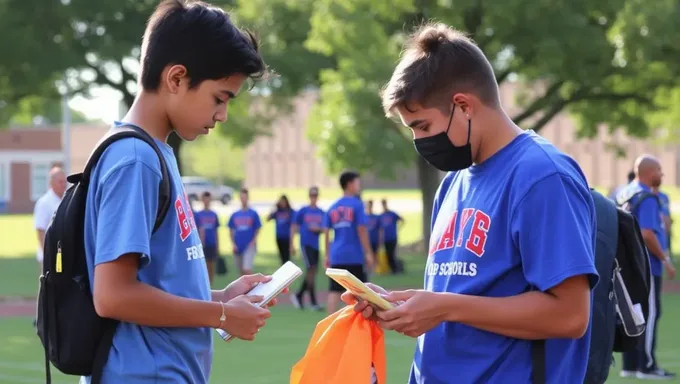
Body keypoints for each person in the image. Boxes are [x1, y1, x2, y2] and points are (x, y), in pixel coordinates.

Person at [343, 23, 599, 383]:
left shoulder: (542, 175)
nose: (418, 141)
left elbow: (571, 316)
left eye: (422, 126)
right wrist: (407, 305)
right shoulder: (454, 182)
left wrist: (445, 307)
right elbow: (460, 296)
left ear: (462, 106)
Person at [80, 2, 278, 383]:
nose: (222, 115)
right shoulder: (135, 159)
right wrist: (221, 316)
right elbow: (113, 296)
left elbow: (158, 283)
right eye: (219, 98)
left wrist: (221, 297)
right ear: (176, 79)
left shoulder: (154, 153)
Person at [619, 155, 676, 380]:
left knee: (633, 313)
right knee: (649, 314)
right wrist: (664, 258)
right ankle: (647, 366)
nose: (661, 175)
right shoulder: (648, 197)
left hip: (626, 264)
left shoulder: (625, 193)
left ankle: (630, 364)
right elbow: (647, 233)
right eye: (659, 170)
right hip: (647, 265)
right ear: (648, 172)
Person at [323, 171, 375, 314]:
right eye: (357, 182)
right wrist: (368, 253)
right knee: (361, 293)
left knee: (334, 291)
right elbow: (362, 230)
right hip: (354, 255)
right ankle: (360, 326)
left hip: (337, 254)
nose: (359, 186)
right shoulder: (357, 205)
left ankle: (330, 325)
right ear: (349, 184)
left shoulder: (333, 206)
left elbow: (326, 232)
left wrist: (327, 255)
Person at [33, 166, 66, 326]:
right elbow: (40, 229)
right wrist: (47, 252)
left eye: (64, 181)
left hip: (61, 254)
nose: (63, 185)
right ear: (51, 183)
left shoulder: (65, 200)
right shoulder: (45, 203)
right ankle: (42, 319)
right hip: (49, 253)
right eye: (60, 182)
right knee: (47, 284)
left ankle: (57, 317)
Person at [290, 186, 325, 311]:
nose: (313, 197)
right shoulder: (303, 211)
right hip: (306, 244)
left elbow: (325, 228)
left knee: (313, 270)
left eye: (315, 195)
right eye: (312, 195)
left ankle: (299, 295)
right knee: (311, 269)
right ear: (309, 196)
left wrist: (318, 229)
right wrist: (291, 244)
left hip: (316, 245)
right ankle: (313, 301)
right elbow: (294, 226)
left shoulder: (321, 212)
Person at [228, 188, 262, 276]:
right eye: (241, 197)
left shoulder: (253, 213)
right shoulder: (235, 214)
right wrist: (233, 244)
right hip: (238, 245)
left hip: (249, 245)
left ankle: (254, 288)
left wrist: (253, 241)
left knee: (247, 269)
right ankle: (245, 290)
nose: (243, 199)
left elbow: (258, 228)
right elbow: (231, 230)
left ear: (248, 198)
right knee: (241, 273)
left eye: (245, 197)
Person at [194, 191, 220, 285]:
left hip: (211, 243)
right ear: (202, 200)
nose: (206, 201)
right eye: (204, 199)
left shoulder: (213, 214)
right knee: (201, 266)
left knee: (210, 266)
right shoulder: (198, 215)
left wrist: (218, 245)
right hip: (201, 244)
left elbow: (216, 231)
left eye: (208, 199)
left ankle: (210, 285)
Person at [267, 194, 295, 265]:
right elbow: (268, 218)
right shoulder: (277, 212)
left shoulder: (290, 212)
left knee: (287, 258)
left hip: (287, 238)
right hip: (279, 237)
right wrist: (274, 207)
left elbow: (294, 225)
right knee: (282, 258)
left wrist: (292, 242)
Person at [379, 198, 404, 274]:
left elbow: (402, 220)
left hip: (393, 237)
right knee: (388, 254)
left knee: (392, 254)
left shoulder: (392, 214)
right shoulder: (381, 215)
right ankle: (392, 269)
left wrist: (398, 228)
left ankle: (396, 269)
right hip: (386, 238)